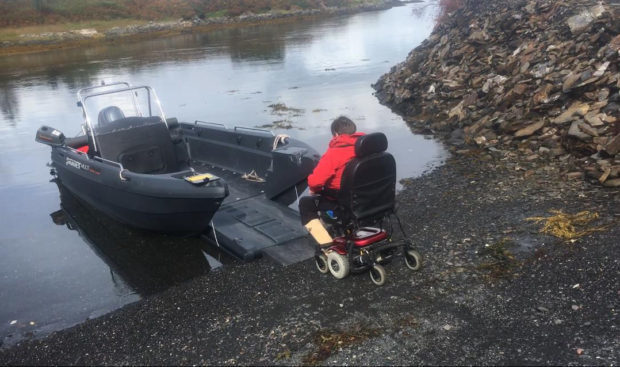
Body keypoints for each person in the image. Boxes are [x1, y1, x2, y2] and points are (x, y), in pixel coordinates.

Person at [299, 116, 364, 248]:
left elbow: (315, 182)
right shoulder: (366, 147)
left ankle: (326, 245)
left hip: (344, 201)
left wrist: (314, 190)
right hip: (369, 196)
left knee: (305, 203)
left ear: (335, 134)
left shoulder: (335, 152)